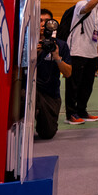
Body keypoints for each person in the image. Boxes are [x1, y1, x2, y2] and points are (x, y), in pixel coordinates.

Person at [65, 0, 98, 124]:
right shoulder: (81, 4)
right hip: (77, 50)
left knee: (87, 84)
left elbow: (97, 31)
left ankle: (82, 110)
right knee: (73, 84)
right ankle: (71, 113)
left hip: (92, 52)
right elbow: (87, 8)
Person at [35, 9, 72, 140]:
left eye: (46, 21)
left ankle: (42, 117)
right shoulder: (26, 42)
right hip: (28, 90)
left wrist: (57, 57)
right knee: (21, 97)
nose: (43, 24)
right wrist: (32, 53)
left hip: (50, 93)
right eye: (40, 20)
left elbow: (68, 73)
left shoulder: (60, 45)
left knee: (47, 133)